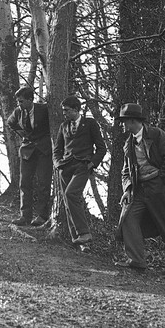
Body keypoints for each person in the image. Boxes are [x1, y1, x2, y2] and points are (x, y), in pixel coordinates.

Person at [115, 103, 165, 282]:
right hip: (139, 189)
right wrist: (128, 188)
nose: (123, 125)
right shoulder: (128, 143)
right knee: (128, 218)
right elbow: (126, 171)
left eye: (124, 121)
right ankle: (136, 260)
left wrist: (160, 178)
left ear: (133, 121)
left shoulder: (156, 134)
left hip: (159, 188)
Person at [52, 95, 108, 245]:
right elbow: (57, 149)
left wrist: (91, 164)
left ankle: (84, 233)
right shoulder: (64, 126)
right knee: (68, 201)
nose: (64, 113)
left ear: (76, 109)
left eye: (66, 110)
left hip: (82, 166)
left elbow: (102, 148)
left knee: (71, 194)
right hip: (65, 167)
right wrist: (58, 164)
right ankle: (78, 241)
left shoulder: (90, 123)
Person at [6, 86, 53, 226]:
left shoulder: (44, 110)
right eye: (18, 102)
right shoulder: (18, 112)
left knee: (44, 183)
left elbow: (54, 125)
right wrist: (24, 135)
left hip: (44, 150)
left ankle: (42, 216)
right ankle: (25, 216)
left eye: (21, 101)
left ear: (30, 99)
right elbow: (10, 123)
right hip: (27, 150)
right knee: (24, 183)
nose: (19, 104)